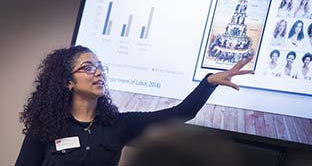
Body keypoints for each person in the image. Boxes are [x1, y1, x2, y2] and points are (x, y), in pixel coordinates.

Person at [15, 46, 253, 166]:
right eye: (87, 68)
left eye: (99, 67)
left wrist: (209, 82)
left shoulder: (118, 124)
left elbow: (181, 113)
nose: (98, 73)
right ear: (68, 81)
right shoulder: (45, 127)